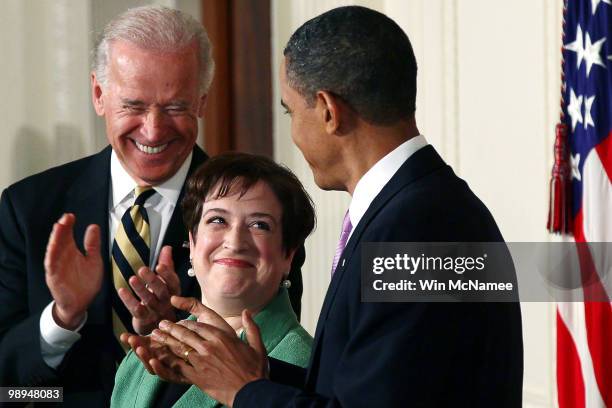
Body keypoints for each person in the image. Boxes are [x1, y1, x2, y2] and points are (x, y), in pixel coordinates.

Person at [143, 5, 524, 407]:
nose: (293, 131)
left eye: (291, 110)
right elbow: (380, 386)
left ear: (328, 111)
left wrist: (244, 390)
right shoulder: (424, 209)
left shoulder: (415, 229)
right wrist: (250, 370)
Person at [0, 6, 304, 406]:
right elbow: (9, 387)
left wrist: (175, 327)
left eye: (175, 106)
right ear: (99, 95)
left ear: (201, 101)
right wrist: (62, 317)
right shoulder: (29, 206)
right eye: (134, 106)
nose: (154, 129)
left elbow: (273, 365)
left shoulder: (254, 217)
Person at [112, 153, 315, 407]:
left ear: (288, 255)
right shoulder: (140, 359)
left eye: (259, 225)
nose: (235, 242)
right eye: (218, 220)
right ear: (193, 244)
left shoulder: (308, 369)